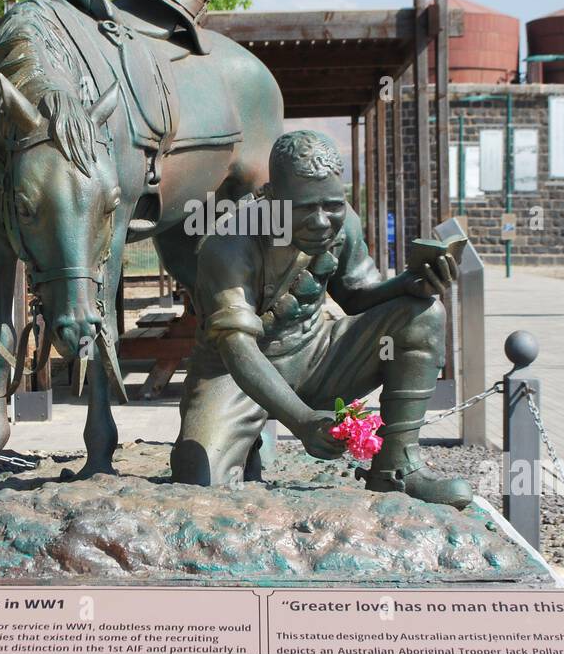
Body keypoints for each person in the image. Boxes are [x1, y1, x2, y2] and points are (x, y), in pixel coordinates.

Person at [170, 129, 473, 507]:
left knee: (422, 316)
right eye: (303, 207)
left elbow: (357, 295)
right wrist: (302, 420)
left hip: (313, 357)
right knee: (199, 484)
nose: (321, 220)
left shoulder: (341, 224)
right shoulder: (230, 242)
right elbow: (237, 347)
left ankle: (397, 469)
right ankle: (237, 450)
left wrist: (412, 286)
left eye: (332, 204)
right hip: (232, 373)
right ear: (271, 198)